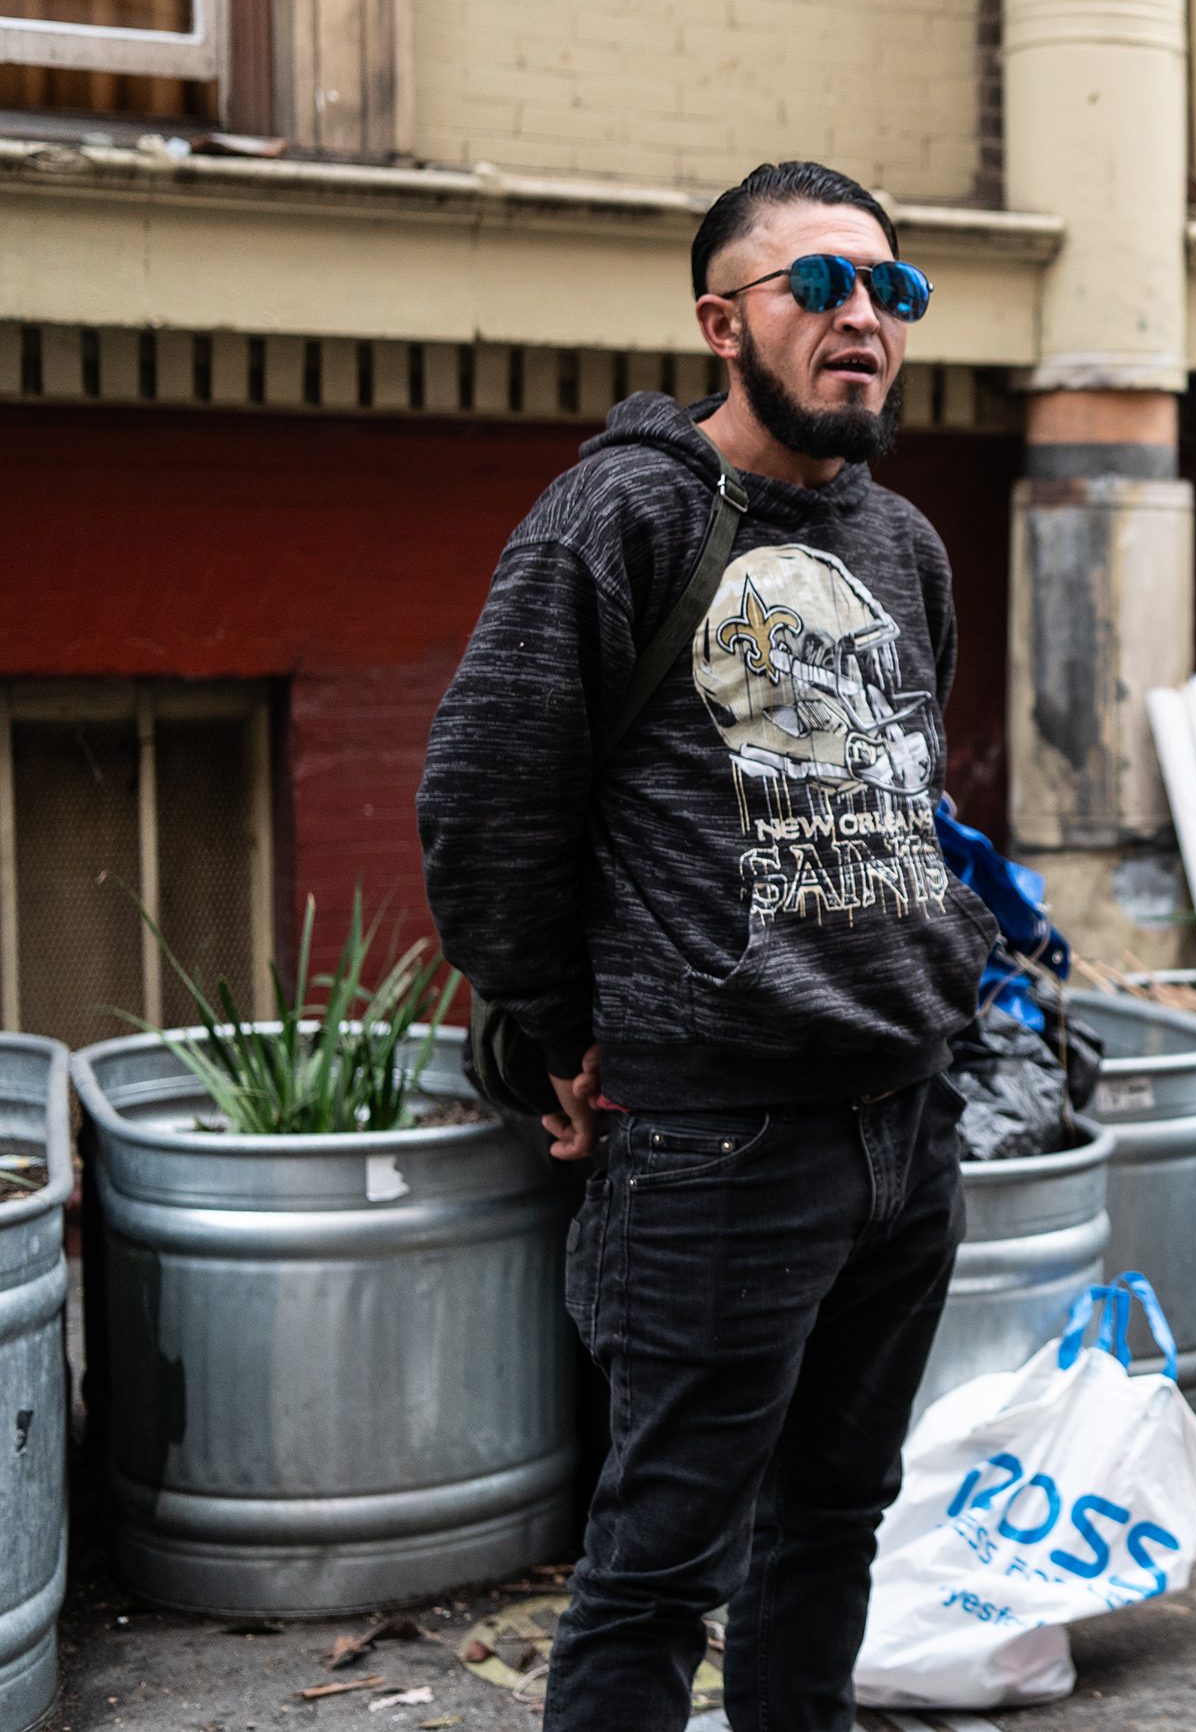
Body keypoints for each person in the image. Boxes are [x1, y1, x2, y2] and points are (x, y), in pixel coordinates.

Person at [418, 160, 997, 1732]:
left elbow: (900, 802)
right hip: (716, 1138)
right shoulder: (626, 514)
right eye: (817, 286)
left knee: (832, 1527)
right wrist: (549, 1028)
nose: (862, 316)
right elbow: (484, 797)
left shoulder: (905, 546)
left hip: (902, 1120)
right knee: (659, 1566)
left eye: (890, 289)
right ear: (720, 324)